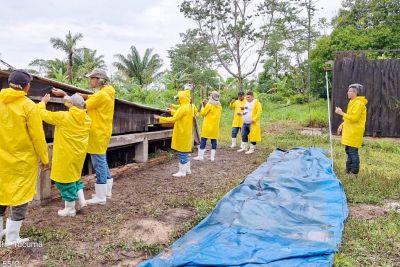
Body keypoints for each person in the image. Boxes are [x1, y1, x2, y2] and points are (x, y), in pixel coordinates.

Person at [52, 68, 115, 205]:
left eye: (92, 78)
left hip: (96, 132)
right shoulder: (106, 92)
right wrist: (84, 95)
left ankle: (101, 196)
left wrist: (64, 95)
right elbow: (92, 98)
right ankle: (106, 192)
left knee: (99, 162)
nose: (90, 80)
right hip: (102, 130)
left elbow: (80, 106)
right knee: (102, 160)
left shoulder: (101, 95)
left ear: (99, 80)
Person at [0, 70, 49, 246]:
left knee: (1, 193)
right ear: (26, 87)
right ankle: (12, 238)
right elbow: (38, 136)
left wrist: (42, 104)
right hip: (22, 161)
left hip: (2, 161)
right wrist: (44, 158)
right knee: (20, 197)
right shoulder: (27, 106)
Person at [38, 93, 91, 216]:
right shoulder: (87, 119)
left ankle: (70, 209)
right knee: (75, 177)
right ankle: (82, 201)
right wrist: (67, 99)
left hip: (65, 154)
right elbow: (74, 106)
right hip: (78, 154)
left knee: (64, 181)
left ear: (71, 106)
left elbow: (43, 115)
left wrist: (43, 103)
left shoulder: (63, 117)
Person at [155, 91, 193, 177]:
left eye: (178, 98)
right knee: (185, 151)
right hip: (186, 131)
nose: (177, 100)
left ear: (182, 98)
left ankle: (182, 172)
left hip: (182, 131)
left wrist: (160, 118)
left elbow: (174, 119)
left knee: (182, 151)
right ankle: (187, 170)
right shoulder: (188, 106)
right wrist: (172, 110)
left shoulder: (183, 107)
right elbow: (180, 114)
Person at [335, 83, 368, 175]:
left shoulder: (359, 104)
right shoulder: (352, 102)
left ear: (355, 92)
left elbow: (354, 118)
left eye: (349, 91)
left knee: (352, 152)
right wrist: (342, 124)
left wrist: (341, 113)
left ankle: (354, 173)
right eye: (348, 90)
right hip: (350, 131)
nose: (348, 92)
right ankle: (348, 171)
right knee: (348, 151)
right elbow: (349, 117)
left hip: (355, 131)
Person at [194, 91, 222, 161]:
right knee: (214, 140)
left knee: (203, 140)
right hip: (215, 126)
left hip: (207, 126)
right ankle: (212, 157)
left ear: (212, 96)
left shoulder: (209, 105)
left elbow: (203, 113)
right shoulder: (219, 106)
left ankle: (200, 156)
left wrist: (203, 105)